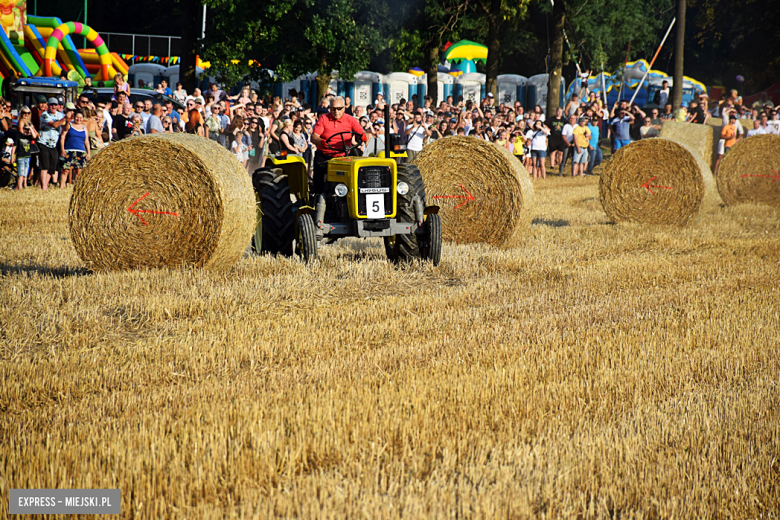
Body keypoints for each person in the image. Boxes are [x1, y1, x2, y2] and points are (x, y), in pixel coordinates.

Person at [310, 96, 366, 194]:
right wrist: (321, 142)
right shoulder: (324, 118)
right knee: (318, 173)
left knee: (358, 171)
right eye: (333, 109)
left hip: (344, 155)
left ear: (344, 108)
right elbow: (314, 137)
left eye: (339, 108)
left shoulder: (351, 120)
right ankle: (317, 196)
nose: (336, 111)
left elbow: (361, 133)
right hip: (325, 154)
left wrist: (363, 137)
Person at [38, 97, 66, 190]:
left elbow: (65, 126)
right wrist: (65, 118)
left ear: (58, 106)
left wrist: (69, 119)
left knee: (52, 166)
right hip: (44, 142)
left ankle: (46, 184)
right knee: (44, 166)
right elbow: (54, 124)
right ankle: (44, 186)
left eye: (55, 105)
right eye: (51, 105)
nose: (53, 106)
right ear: (48, 106)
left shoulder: (60, 115)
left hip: (54, 144)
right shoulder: (44, 115)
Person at [59, 110, 90, 188]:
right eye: (77, 117)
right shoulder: (69, 125)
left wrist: (88, 153)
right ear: (74, 117)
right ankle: (61, 186)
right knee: (65, 170)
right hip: (69, 150)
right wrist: (62, 149)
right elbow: (62, 137)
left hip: (80, 151)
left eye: (80, 117)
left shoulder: (84, 128)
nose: (79, 119)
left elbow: (86, 141)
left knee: (79, 171)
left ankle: (76, 187)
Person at [9, 118, 38, 190]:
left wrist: (30, 128)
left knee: (25, 173)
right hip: (20, 157)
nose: (26, 131)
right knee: (21, 174)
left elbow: (34, 136)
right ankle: (19, 187)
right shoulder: (19, 136)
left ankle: (22, 186)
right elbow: (14, 147)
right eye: (25, 129)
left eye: (27, 130)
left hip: (28, 157)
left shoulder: (29, 137)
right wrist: (12, 157)